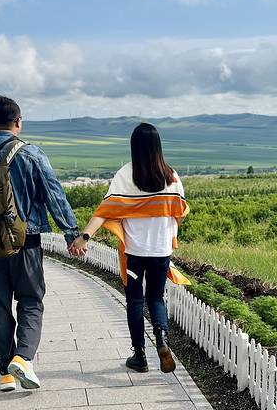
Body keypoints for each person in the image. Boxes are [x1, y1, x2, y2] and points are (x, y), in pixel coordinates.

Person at [0, 96, 80, 392]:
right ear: (18, 121)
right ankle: (23, 358)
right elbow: (54, 196)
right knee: (30, 300)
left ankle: (5, 373)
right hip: (25, 241)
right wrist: (71, 234)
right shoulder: (30, 154)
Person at [70, 122, 189, 374]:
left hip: (135, 252)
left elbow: (104, 211)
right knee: (155, 297)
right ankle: (161, 340)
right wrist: (168, 234)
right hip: (161, 252)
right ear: (158, 146)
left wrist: (84, 237)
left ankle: (140, 355)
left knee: (135, 300)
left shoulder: (125, 175)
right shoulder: (172, 176)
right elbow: (179, 214)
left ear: (134, 146)